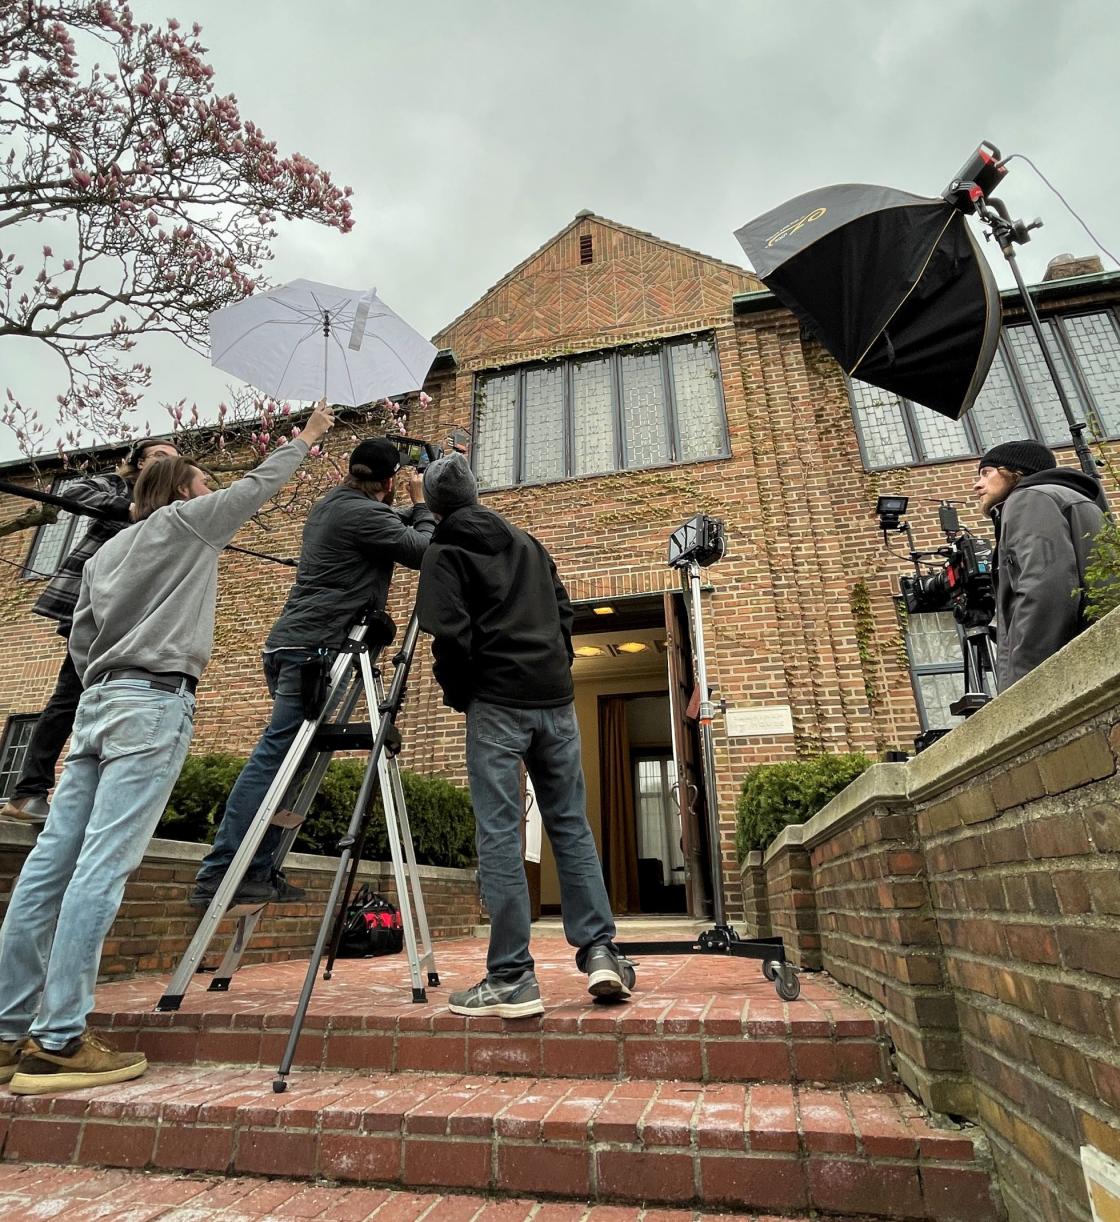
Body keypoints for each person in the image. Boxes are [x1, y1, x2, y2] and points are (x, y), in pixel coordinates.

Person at [0, 403, 334, 1095]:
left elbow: (81, 643)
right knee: (103, 867)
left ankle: (7, 1033)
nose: (214, 492)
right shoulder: (187, 525)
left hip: (97, 705)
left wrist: (105, 679)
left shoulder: (106, 553)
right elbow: (258, 488)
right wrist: (307, 438)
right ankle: (60, 1039)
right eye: (205, 481)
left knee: (48, 866)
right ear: (183, 491)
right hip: (151, 705)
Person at [415, 452, 633, 1018]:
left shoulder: (444, 550)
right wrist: (558, 669)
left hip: (498, 702)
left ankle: (511, 975)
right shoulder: (529, 542)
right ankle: (602, 952)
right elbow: (565, 615)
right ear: (476, 491)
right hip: (555, 701)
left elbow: (449, 635)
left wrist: (462, 691)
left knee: (498, 831)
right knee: (570, 824)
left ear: (433, 506)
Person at [190, 437, 435, 908]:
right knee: (274, 757)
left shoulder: (336, 505)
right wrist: (422, 503)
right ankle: (220, 873)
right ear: (388, 481)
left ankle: (256, 868)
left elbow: (391, 524)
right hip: (315, 650)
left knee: (289, 762)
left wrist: (410, 509)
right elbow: (422, 551)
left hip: (297, 644)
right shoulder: (362, 514)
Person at [0, 438, 180, 826]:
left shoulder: (171, 511)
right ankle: (28, 792)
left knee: (107, 700)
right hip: (91, 610)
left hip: (134, 616)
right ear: (136, 461)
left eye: (174, 461)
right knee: (71, 695)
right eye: (159, 457)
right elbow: (76, 492)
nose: (167, 465)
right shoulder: (118, 488)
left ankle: (81, 798)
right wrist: (130, 507)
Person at [973, 440, 1107, 691]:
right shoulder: (1078, 501)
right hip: (1093, 660)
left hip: (1061, 678)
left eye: (986, 472)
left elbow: (1046, 588)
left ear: (1014, 471)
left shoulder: (1028, 499)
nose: (977, 484)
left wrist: (1021, 683)